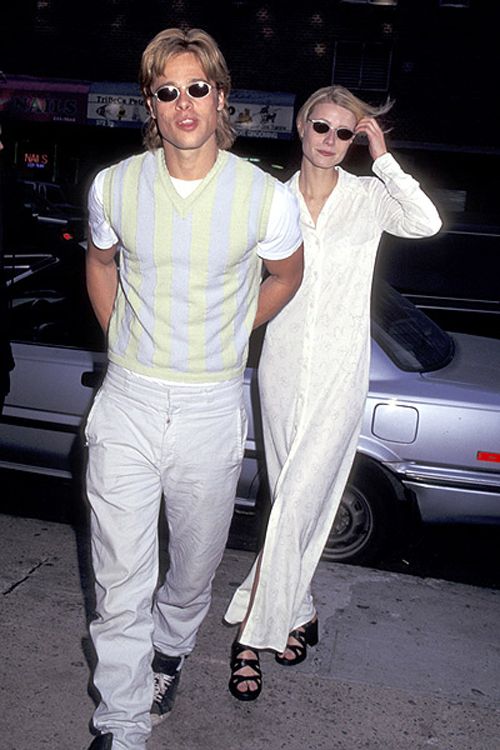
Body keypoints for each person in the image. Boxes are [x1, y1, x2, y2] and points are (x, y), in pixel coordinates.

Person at [84, 27, 303, 750]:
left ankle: (170, 652)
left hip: (211, 406)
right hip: (129, 403)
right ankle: (121, 726)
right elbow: (101, 261)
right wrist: (125, 341)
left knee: (193, 567)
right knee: (119, 583)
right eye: (168, 91)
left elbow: (287, 276)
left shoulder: (265, 198)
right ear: (150, 102)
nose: (184, 104)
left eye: (197, 89)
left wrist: (236, 330)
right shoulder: (114, 184)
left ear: (222, 96)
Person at [224, 85, 442, 700]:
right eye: (322, 127)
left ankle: (250, 638)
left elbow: (427, 222)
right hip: (283, 369)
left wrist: (384, 155)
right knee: (294, 496)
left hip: (341, 372)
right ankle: (300, 611)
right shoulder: (272, 199)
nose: (330, 141)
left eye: (345, 133)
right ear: (300, 126)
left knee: (296, 499)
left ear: (356, 141)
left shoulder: (370, 199)